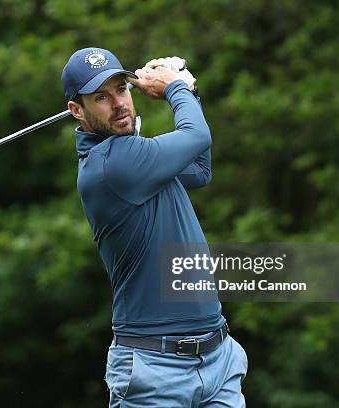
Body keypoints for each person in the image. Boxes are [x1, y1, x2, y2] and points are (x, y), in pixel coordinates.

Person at [61, 47, 248, 407]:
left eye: (122, 89)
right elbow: (197, 137)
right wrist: (177, 87)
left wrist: (188, 92)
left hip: (217, 358)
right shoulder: (112, 165)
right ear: (77, 111)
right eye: (101, 97)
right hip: (154, 369)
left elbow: (200, 170)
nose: (118, 104)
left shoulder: (137, 156)